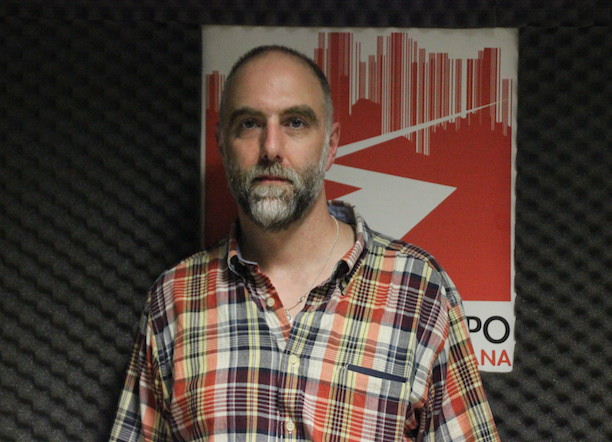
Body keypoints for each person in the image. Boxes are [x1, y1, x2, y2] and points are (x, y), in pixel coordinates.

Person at [110, 45, 500, 441]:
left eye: (295, 122)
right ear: (222, 144)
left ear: (331, 145)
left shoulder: (417, 289)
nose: (271, 148)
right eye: (249, 123)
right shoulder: (174, 298)